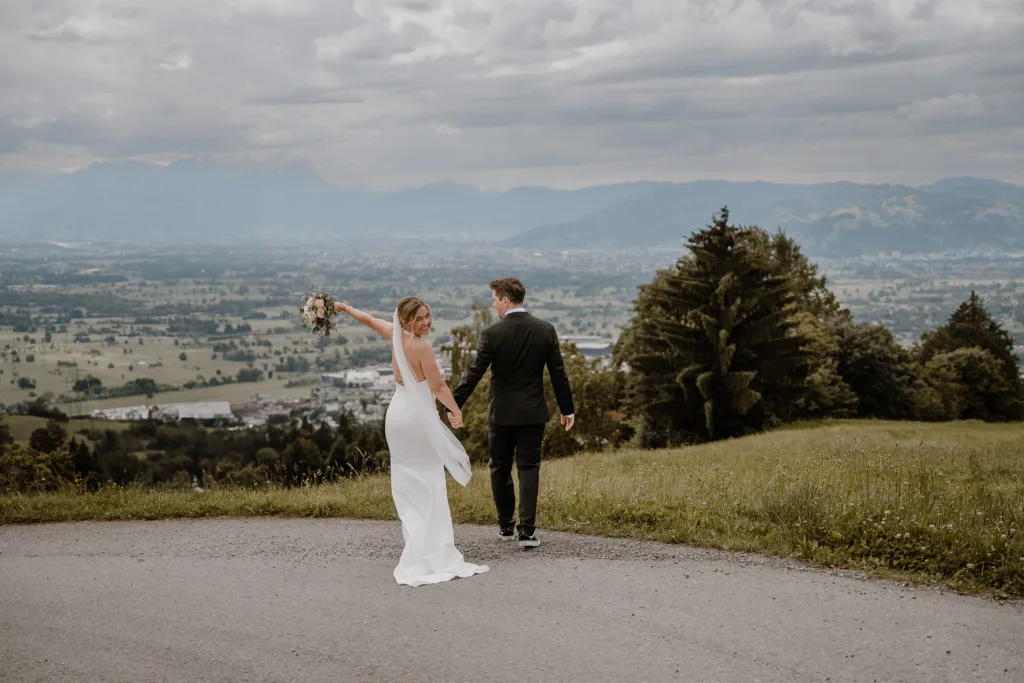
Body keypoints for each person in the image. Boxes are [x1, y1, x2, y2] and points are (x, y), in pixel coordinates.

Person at [333, 296, 489, 586]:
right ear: (406, 322)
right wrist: (455, 410)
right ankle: (433, 550)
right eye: (419, 319)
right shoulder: (422, 347)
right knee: (430, 480)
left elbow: (367, 319)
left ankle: (417, 546)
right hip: (417, 419)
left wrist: (344, 308)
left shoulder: (394, 335)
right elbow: (438, 386)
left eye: (427, 316)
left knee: (407, 481)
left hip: (397, 415)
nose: (426, 322)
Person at [452, 277, 575, 548]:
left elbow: (474, 372)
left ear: (506, 301)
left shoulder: (492, 334)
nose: (494, 305)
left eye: (495, 300)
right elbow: (558, 374)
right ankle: (528, 533)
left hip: (502, 414)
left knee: (500, 467)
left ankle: (506, 528)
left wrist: (453, 404)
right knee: (529, 468)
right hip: (533, 414)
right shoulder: (546, 330)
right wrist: (567, 409)